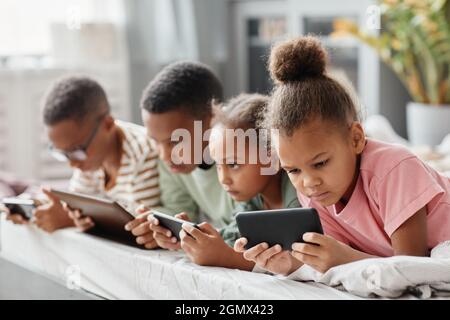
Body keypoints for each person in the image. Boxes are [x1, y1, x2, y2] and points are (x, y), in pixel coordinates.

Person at [235, 36, 450, 275]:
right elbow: (337, 257)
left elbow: (411, 269)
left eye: (320, 163)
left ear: (356, 138)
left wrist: (344, 259)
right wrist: (286, 264)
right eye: (293, 170)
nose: (308, 182)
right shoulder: (317, 194)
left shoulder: (394, 169)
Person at [28, 75, 160, 246]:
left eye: (76, 151)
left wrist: (69, 220)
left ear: (107, 124)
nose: (72, 163)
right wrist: (31, 208)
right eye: (64, 153)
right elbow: (77, 200)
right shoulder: (88, 158)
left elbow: (140, 228)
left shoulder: (144, 152)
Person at [179, 93, 300, 269]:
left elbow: (294, 262)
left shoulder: (298, 195)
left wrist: (224, 257)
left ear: (272, 159)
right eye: (218, 165)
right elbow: (231, 237)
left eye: (234, 164)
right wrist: (196, 238)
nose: (223, 178)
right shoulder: (252, 198)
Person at [139, 61, 236, 250]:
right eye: (156, 141)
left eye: (175, 141)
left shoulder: (245, 152)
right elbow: (180, 211)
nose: (165, 155)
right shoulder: (171, 161)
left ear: (213, 118)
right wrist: (157, 227)